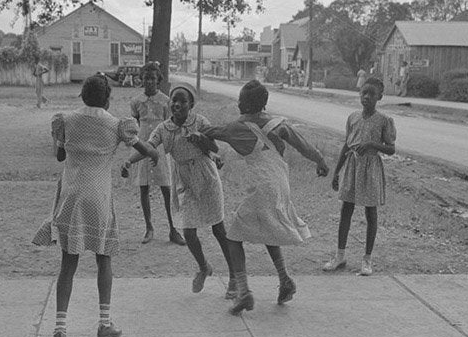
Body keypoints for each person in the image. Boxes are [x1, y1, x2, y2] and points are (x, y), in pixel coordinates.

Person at [32, 72, 157, 337]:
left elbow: (61, 157)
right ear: (108, 99)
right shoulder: (116, 125)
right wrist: (154, 152)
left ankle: (60, 329)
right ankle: (103, 323)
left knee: (68, 265)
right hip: (98, 199)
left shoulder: (65, 121)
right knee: (104, 259)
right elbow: (142, 147)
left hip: (70, 197)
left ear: (82, 96)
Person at [191, 79, 328, 314]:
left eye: (241, 100)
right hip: (281, 184)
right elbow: (304, 146)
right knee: (269, 230)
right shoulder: (279, 124)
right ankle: (285, 281)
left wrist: (195, 132)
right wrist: (321, 161)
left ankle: (243, 292)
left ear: (247, 104)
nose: (238, 103)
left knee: (233, 238)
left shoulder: (238, 128)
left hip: (262, 187)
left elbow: (213, 133)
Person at [121, 84, 235, 295]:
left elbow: (215, 148)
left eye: (182, 101)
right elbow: (148, 147)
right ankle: (203, 267)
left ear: (191, 104)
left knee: (219, 229)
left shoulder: (200, 122)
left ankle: (235, 278)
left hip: (207, 177)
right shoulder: (164, 128)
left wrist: (202, 139)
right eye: (174, 100)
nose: (177, 104)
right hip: (184, 180)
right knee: (188, 231)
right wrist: (129, 161)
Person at [324, 76, 397, 276]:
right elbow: (347, 145)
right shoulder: (353, 117)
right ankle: (340, 256)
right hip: (352, 166)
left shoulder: (384, 121)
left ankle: (367, 259)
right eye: (363, 93)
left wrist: (373, 145)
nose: (366, 97)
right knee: (346, 209)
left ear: (380, 96)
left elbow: (391, 149)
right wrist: (337, 171)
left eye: (371, 94)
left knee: (370, 213)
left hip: (371, 167)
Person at [129, 61, 183, 245]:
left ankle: (173, 229)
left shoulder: (166, 101)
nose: (149, 82)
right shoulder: (136, 101)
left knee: (166, 188)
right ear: (141, 80)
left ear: (158, 80)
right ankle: (149, 227)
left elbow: (170, 123)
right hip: (143, 144)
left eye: (153, 78)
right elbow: (136, 120)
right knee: (144, 186)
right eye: (146, 78)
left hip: (160, 146)